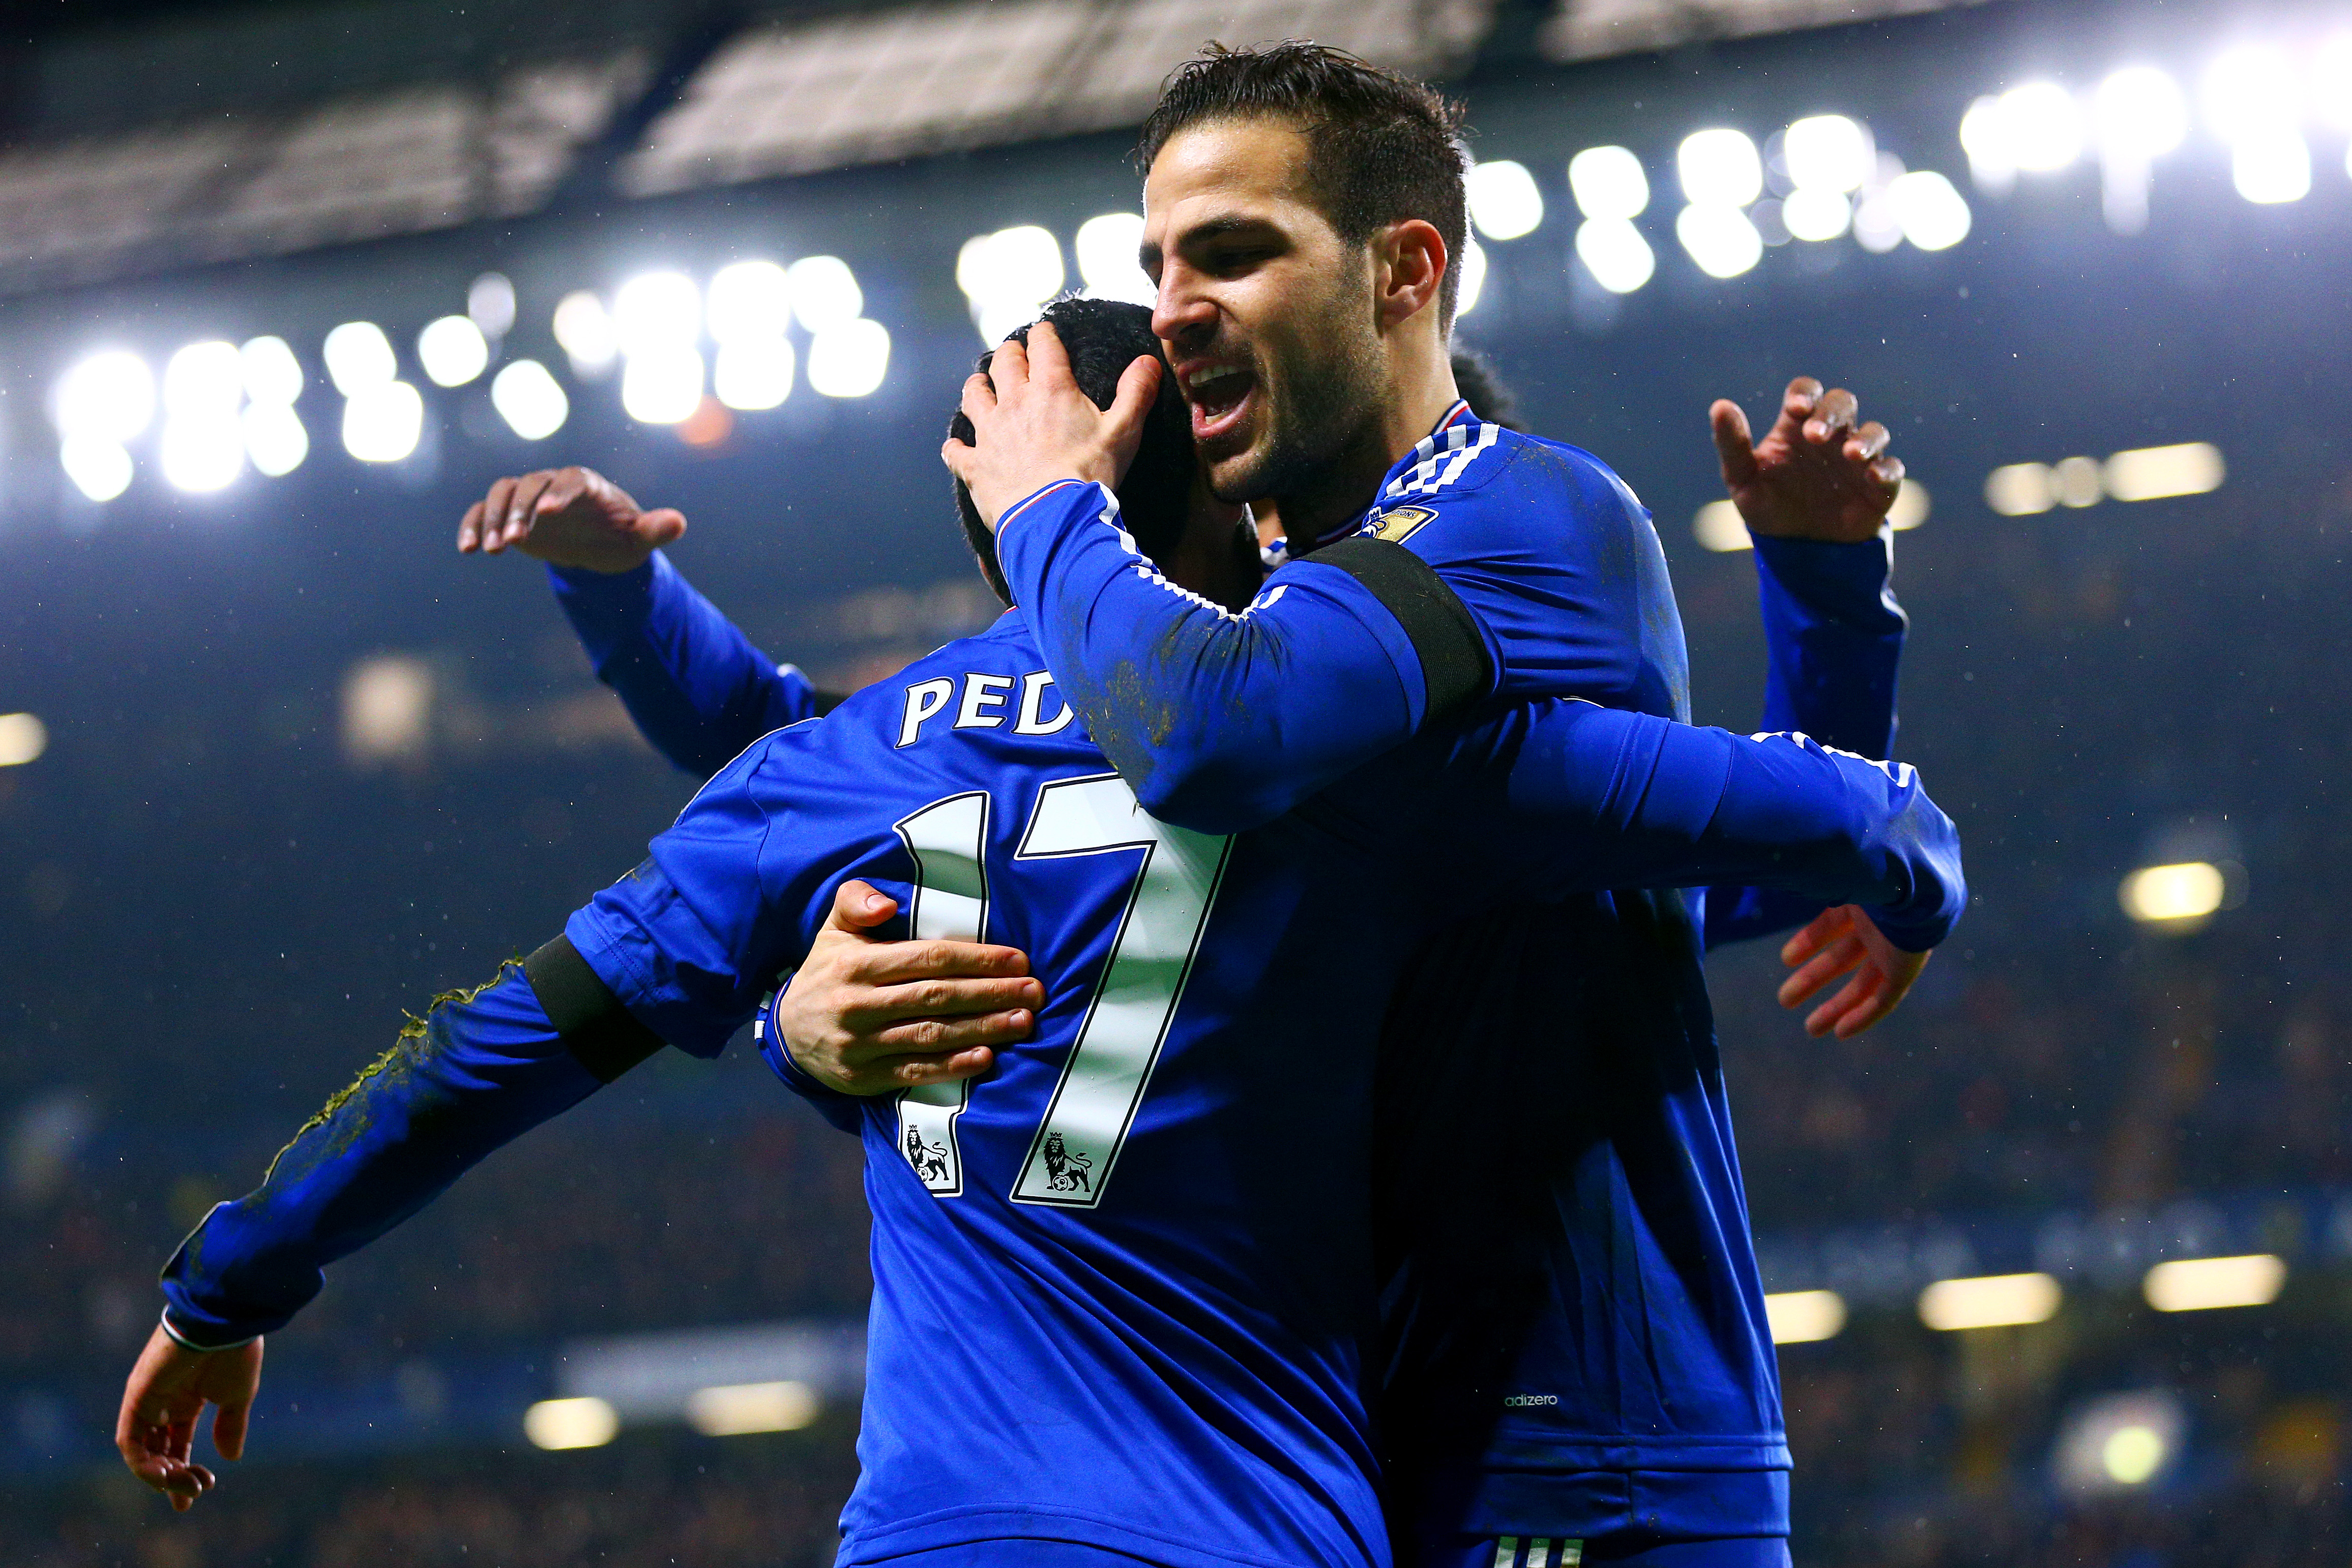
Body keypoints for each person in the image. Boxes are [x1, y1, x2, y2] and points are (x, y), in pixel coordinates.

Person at [117, 301, 1962, 1568]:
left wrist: (230, 1282)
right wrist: (1865, 739)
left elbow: (484, 1049)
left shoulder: (842, 771)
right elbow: (1780, 830)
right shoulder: (1360, 762)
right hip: (1278, 1523)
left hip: (943, 1532)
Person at [932, 43, 1928, 1568]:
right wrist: (806, 1007)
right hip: (1347, 1459)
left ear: (1405, 271)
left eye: (1237, 251)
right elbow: (1633, 880)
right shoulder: (1273, 607)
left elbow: (1219, 741)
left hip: (1580, 1460)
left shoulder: (1522, 513)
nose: (1174, 303)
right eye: (1157, 262)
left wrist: (1048, 511)